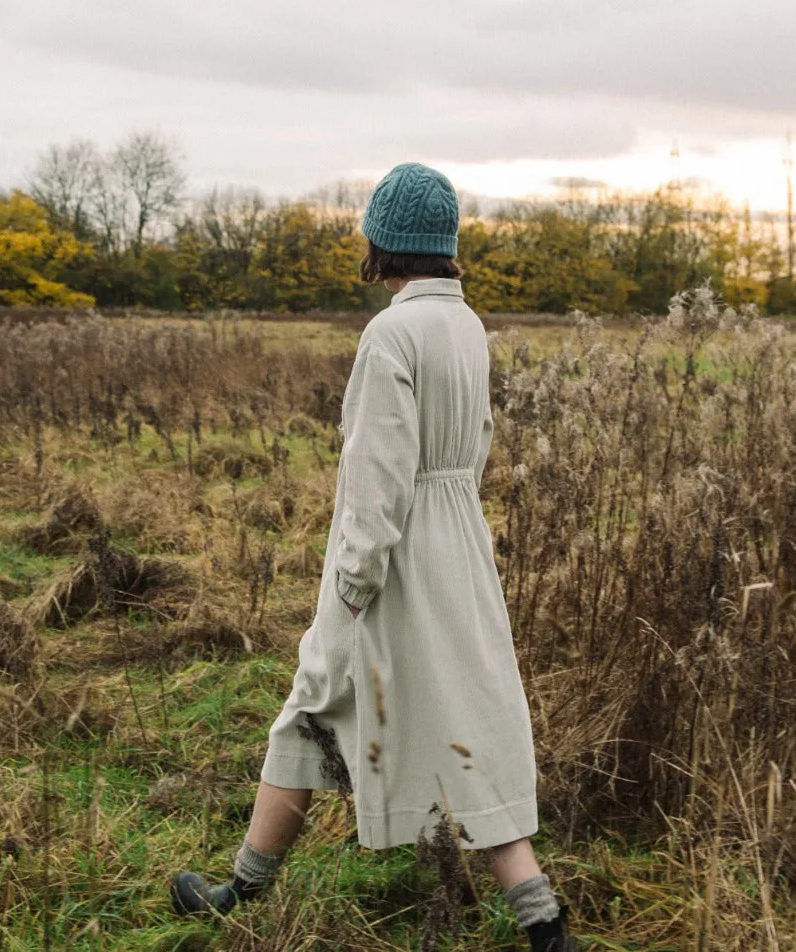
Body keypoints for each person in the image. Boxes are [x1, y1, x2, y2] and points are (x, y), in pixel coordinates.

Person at [169, 162, 578, 951]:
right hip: (459, 545)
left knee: (309, 705)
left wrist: (352, 587)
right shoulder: (467, 325)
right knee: (468, 727)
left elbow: (377, 478)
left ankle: (239, 889)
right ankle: (545, 923)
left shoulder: (390, 334)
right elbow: (475, 445)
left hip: (391, 563)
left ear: (383, 243)